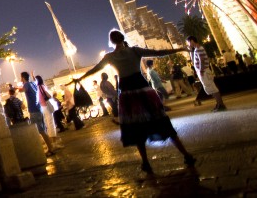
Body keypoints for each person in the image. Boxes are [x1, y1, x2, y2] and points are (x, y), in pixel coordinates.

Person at [68, 29, 195, 173]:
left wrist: (79, 78)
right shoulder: (134, 51)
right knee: (162, 122)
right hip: (142, 89)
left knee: (136, 128)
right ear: (122, 38)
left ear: (111, 42)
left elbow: (94, 69)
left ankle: (146, 163)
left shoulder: (110, 56)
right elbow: (157, 53)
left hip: (127, 93)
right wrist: (179, 49)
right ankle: (186, 154)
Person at [19, 71, 56, 155]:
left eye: (21, 77)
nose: (20, 79)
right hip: (39, 109)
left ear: (23, 78)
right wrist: (33, 75)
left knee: (40, 130)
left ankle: (51, 148)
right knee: (42, 130)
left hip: (34, 111)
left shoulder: (27, 84)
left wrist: (16, 89)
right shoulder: (33, 83)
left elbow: (23, 90)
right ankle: (50, 146)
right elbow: (35, 81)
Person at [187, 35, 227, 111]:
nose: (189, 44)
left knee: (212, 88)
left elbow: (201, 60)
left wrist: (201, 70)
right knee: (210, 88)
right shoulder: (196, 49)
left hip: (204, 71)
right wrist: (190, 51)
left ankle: (221, 104)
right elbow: (194, 61)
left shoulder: (199, 48)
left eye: (188, 42)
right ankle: (218, 104)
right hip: (203, 71)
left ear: (192, 41)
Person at [36, 75, 63, 149]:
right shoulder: (42, 86)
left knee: (47, 124)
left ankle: (51, 143)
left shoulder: (37, 88)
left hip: (42, 107)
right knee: (51, 123)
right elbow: (49, 95)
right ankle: (54, 143)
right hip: (46, 106)